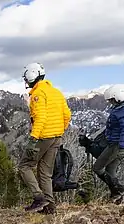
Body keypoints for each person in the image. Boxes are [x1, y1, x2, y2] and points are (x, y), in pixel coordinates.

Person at [19, 62, 71, 214]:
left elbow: (40, 118)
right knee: (45, 172)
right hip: (56, 137)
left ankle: (38, 197)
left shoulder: (37, 94)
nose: (26, 81)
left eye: (26, 78)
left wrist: (33, 138)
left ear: (31, 75)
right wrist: (60, 130)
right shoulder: (56, 92)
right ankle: (49, 206)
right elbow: (67, 115)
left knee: (24, 166)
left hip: (43, 136)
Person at [94, 85, 124, 203]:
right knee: (110, 170)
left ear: (117, 98)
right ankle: (117, 198)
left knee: (97, 168)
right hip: (116, 142)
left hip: (117, 144)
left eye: (111, 100)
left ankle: (119, 190)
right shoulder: (122, 107)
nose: (110, 103)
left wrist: (121, 148)